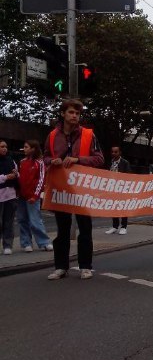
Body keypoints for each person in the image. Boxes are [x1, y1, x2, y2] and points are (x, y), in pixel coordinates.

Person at [43, 98, 104, 280]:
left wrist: (79, 160)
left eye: (77, 113)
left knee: (85, 228)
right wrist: (51, 161)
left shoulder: (89, 135)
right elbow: (45, 157)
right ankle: (61, 267)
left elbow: (99, 159)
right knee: (62, 230)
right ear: (62, 114)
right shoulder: (53, 136)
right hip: (61, 189)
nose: (74, 116)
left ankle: (85, 266)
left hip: (82, 189)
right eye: (71, 112)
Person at [17, 139, 52, 252]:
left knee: (35, 220)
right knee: (22, 219)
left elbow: (41, 180)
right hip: (21, 196)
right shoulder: (22, 162)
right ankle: (26, 243)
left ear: (33, 149)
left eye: (26, 147)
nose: (24, 149)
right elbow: (20, 178)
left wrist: (35, 195)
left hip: (32, 196)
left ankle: (44, 242)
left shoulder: (40, 163)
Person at [105, 145, 131, 235]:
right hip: (112, 188)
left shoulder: (125, 163)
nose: (114, 153)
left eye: (116, 152)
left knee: (123, 207)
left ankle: (124, 227)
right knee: (113, 207)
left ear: (120, 152)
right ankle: (115, 226)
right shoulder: (110, 162)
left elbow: (128, 176)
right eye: (112, 152)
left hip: (122, 188)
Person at [0, 140, 19, 255]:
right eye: (2, 146)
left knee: (8, 222)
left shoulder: (11, 160)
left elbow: (18, 174)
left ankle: (7, 245)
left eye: (5, 146)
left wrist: (16, 174)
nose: (4, 149)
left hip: (10, 195)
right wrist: (6, 177)